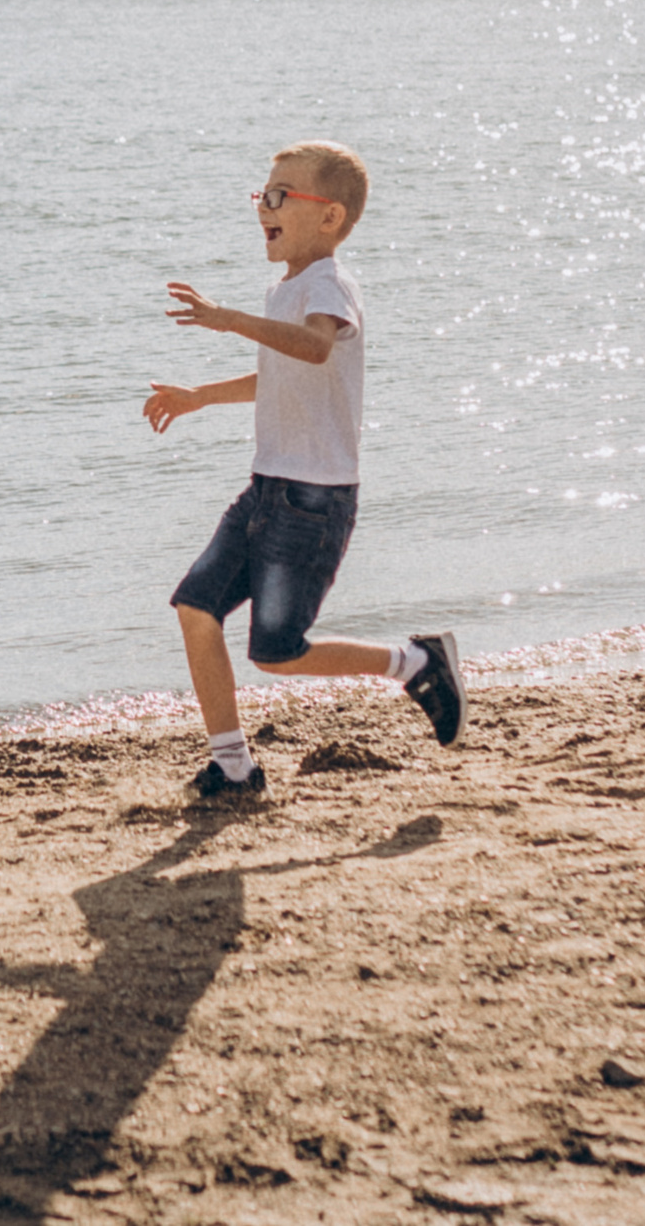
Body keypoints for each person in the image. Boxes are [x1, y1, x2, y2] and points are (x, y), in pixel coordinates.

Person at [142, 140, 464, 797]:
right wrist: (201, 395)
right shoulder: (287, 286)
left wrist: (229, 319)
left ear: (331, 217)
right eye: (262, 193)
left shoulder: (329, 285)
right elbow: (282, 372)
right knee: (195, 606)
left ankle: (415, 661)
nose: (264, 205)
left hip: (313, 501)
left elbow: (314, 348)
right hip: (268, 489)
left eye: (280, 195)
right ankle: (233, 765)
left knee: (277, 650)